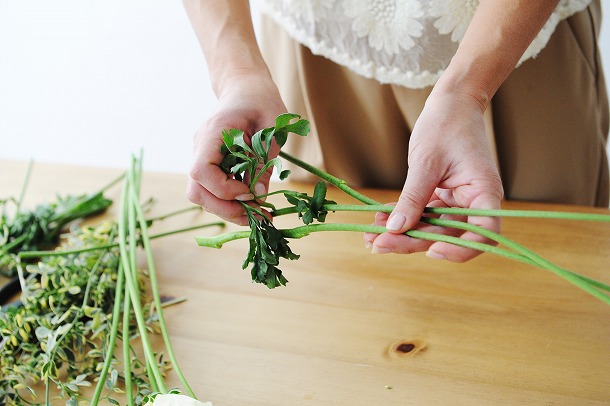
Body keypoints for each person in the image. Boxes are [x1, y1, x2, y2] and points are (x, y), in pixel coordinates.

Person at [183, 0, 608, 262]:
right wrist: (237, 74)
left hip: (512, 42)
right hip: (312, 45)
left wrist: (468, 92)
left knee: (548, 274)